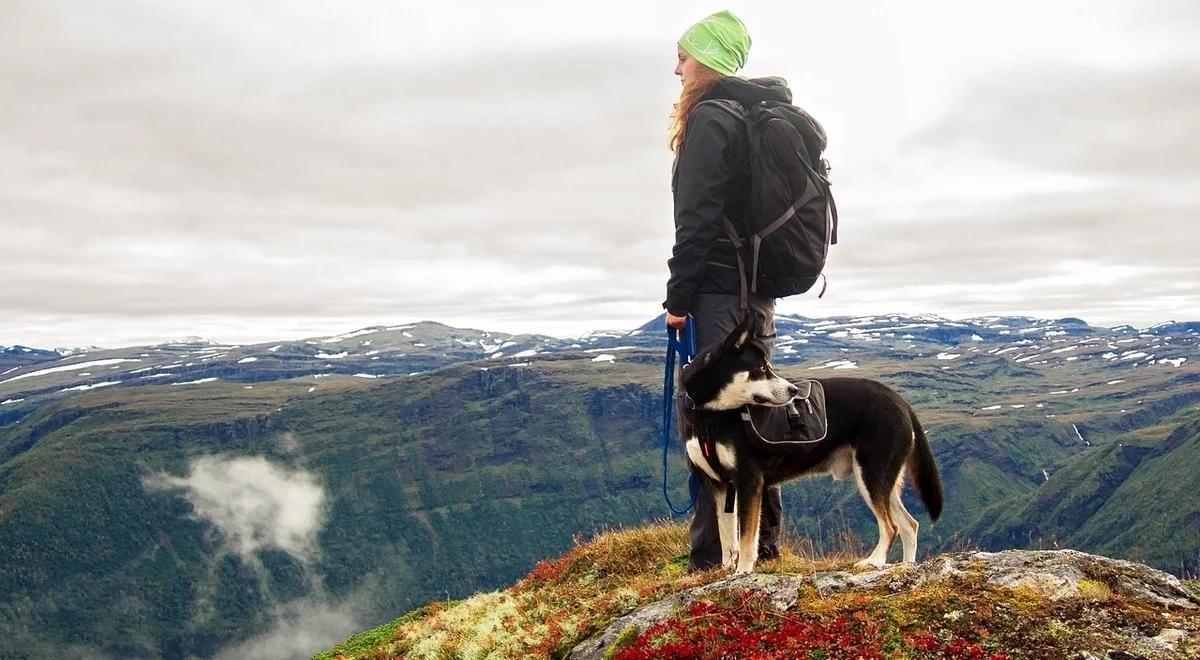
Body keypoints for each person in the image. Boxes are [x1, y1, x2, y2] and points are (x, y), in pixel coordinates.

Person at [663, 10, 790, 571]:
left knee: (711, 421)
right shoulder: (749, 116)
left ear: (709, 61)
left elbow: (696, 220)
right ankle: (759, 548)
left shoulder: (712, 119)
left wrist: (678, 298)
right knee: (753, 417)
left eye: (684, 57)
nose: (677, 68)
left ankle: (711, 560)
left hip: (718, 293)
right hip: (754, 294)